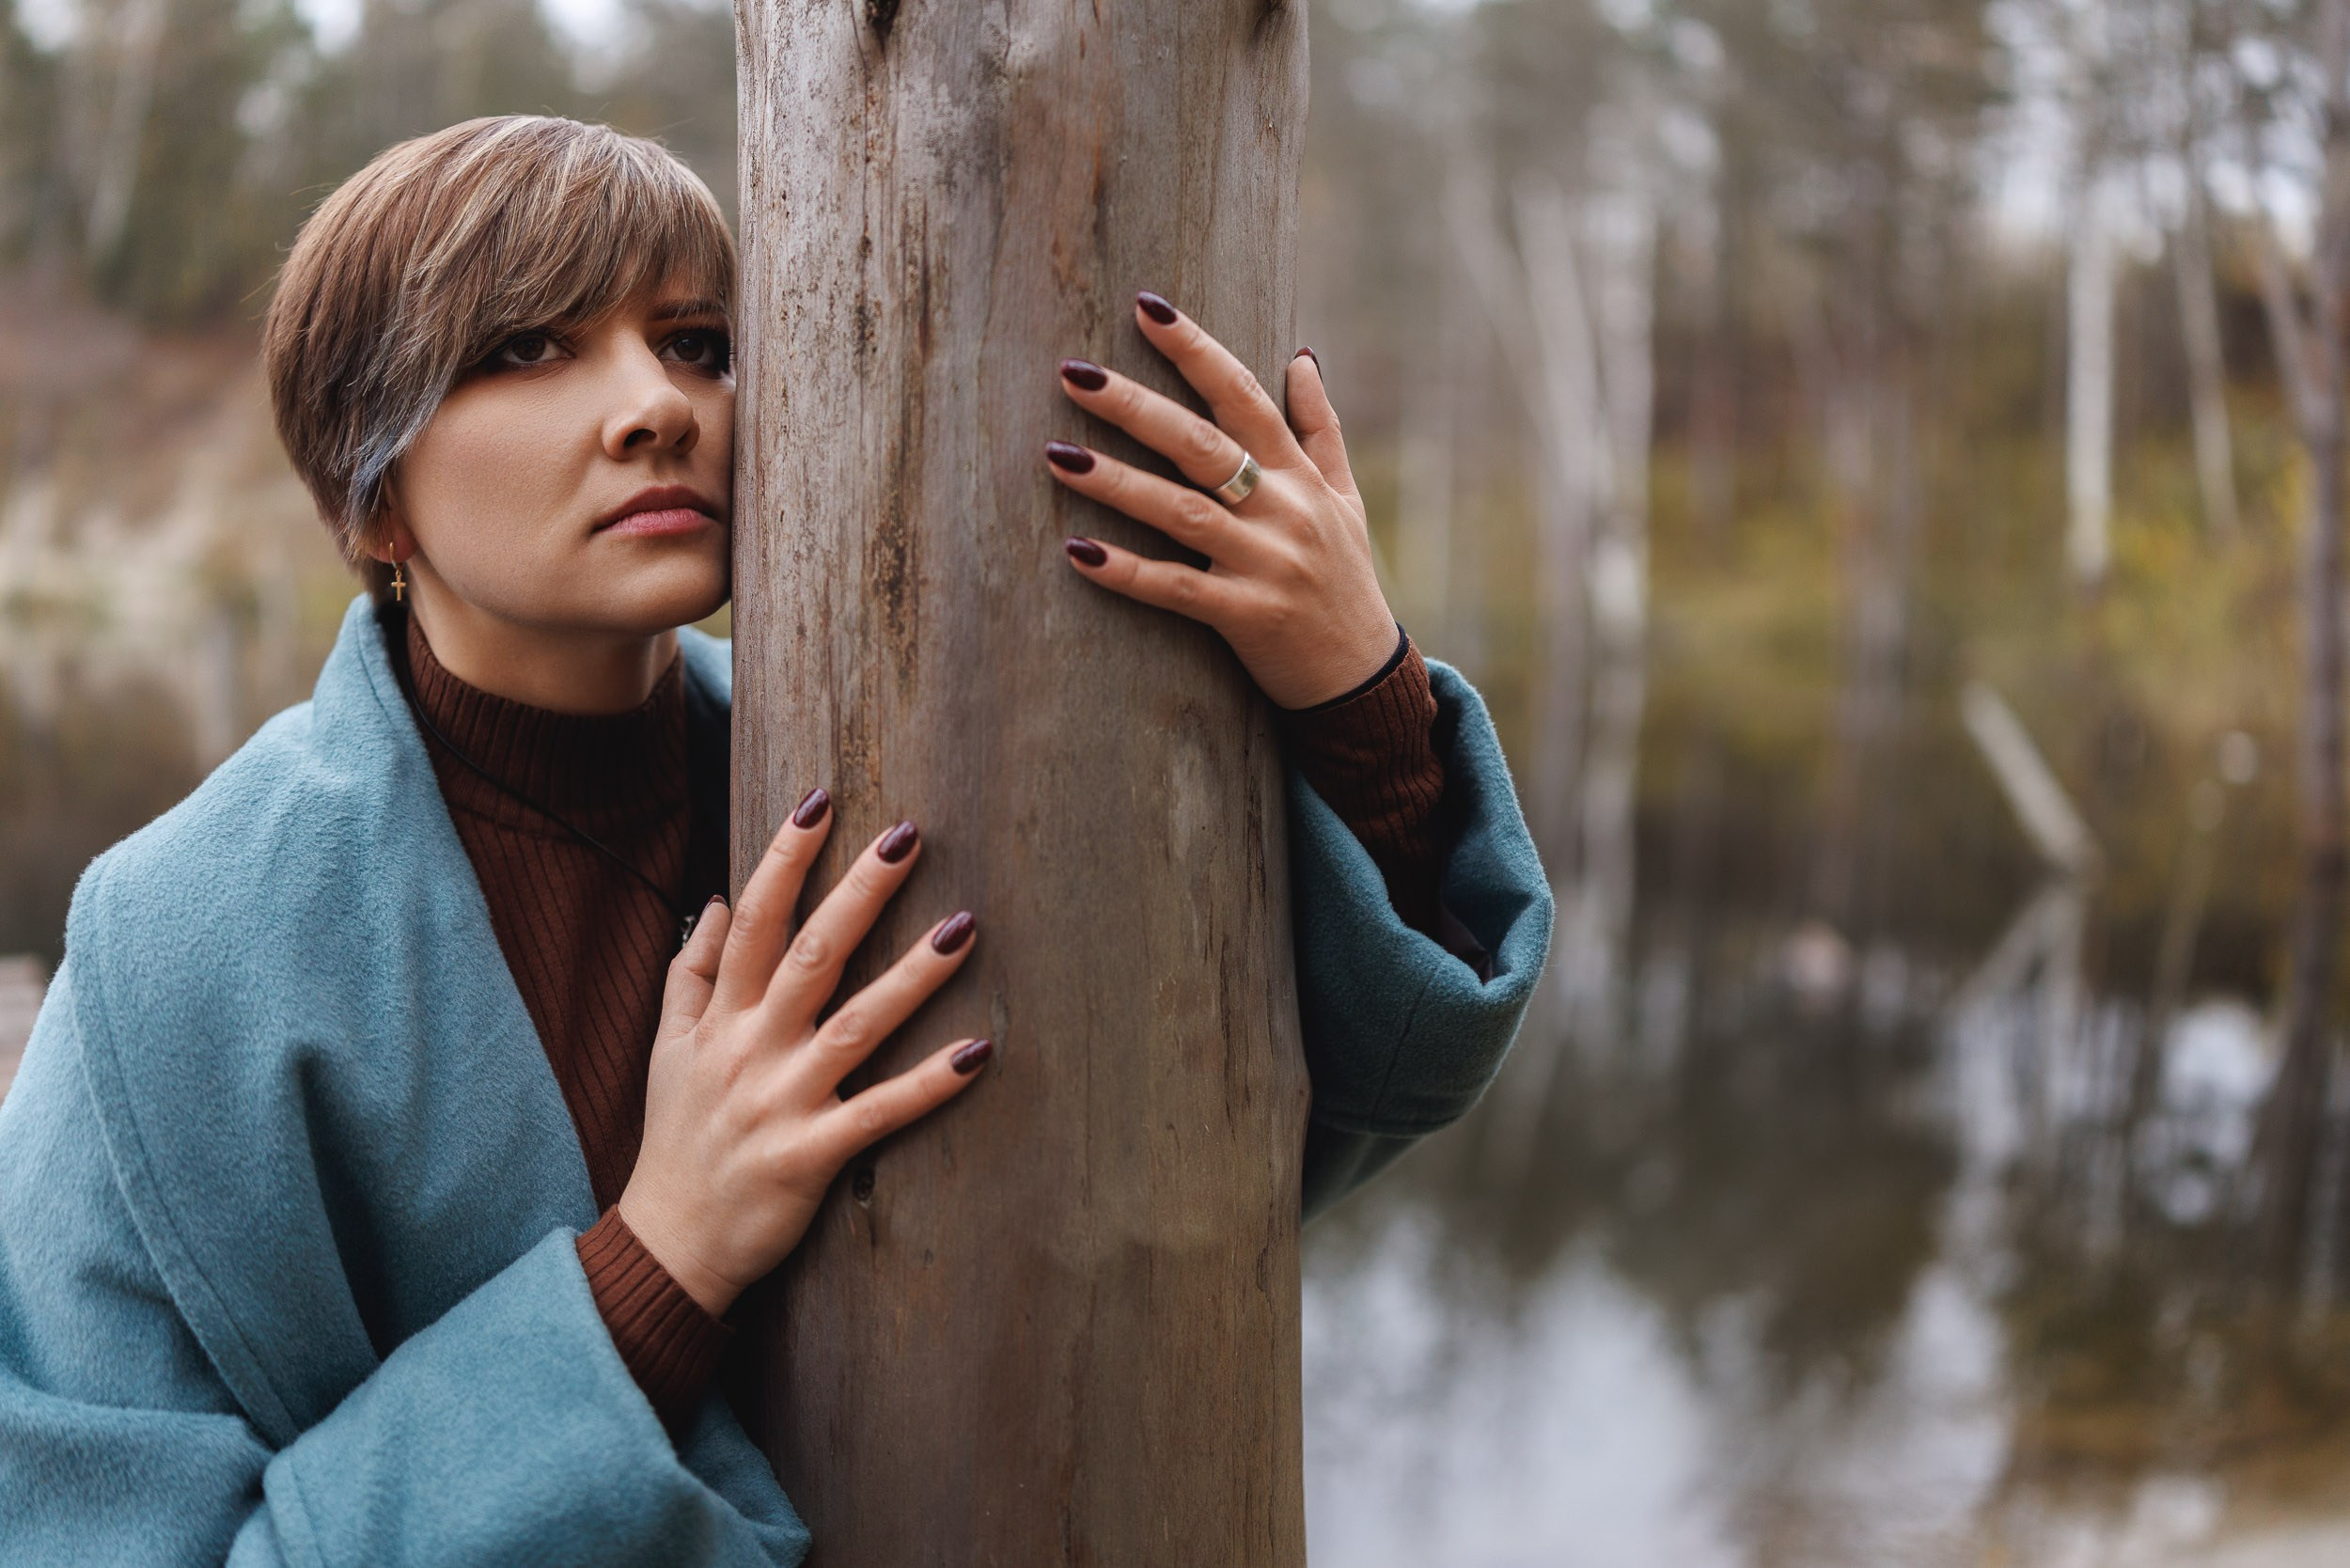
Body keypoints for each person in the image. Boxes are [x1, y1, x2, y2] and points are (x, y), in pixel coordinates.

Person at [0, 117, 1551, 1563]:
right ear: (374, 494)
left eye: (699, 344)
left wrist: (1358, 693)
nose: (657, 406)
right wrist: (654, 1269)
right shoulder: (175, 948)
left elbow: (1255, 1150)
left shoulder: (896, 782)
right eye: (528, 349)